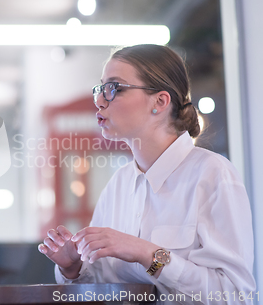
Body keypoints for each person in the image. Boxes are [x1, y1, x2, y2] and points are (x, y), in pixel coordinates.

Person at [39, 44, 256, 304]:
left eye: (114, 88)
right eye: (100, 88)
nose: (98, 100)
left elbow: (234, 295)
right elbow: (103, 290)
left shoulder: (212, 174)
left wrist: (148, 253)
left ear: (160, 101)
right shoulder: (119, 183)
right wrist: (72, 268)